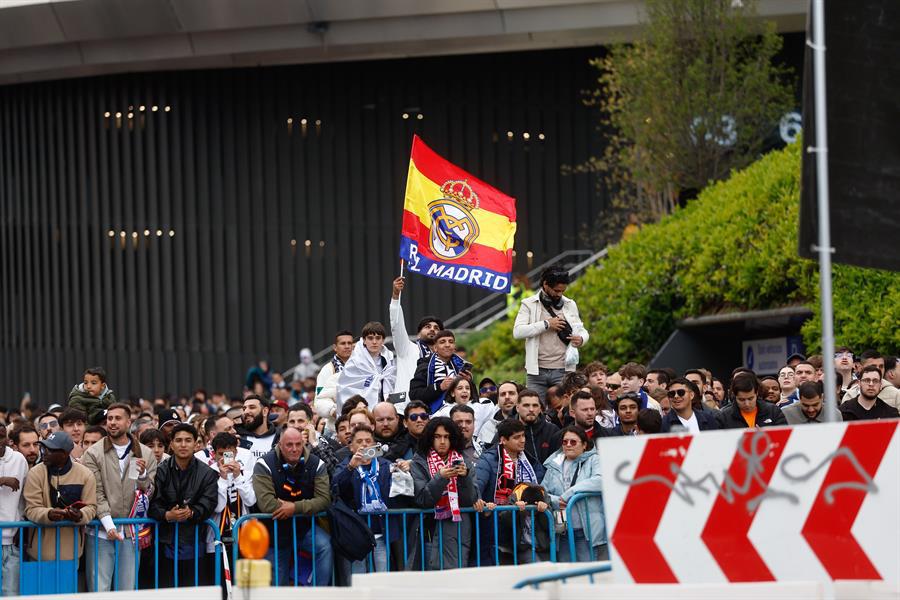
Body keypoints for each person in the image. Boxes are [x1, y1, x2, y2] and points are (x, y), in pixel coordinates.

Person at [81, 403, 156, 592]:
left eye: (117, 418)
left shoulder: (146, 453)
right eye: (110, 419)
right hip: (100, 531)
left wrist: (142, 476)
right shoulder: (93, 453)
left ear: (128, 422)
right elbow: (95, 492)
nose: (112, 423)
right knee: (99, 590)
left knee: (127, 590)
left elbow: (149, 492)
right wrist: (109, 524)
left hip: (131, 532)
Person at [253, 427, 332, 586]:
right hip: (274, 532)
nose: (295, 449)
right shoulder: (263, 464)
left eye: (298, 444)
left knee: (325, 548)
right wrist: (305, 506)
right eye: (289, 445)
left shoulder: (317, 464)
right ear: (280, 445)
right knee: (277, 585)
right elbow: (267, 504)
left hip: (304, 528)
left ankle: (320, 595)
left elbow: (324, 499)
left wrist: (294, 508)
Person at [148, 423, 218, 588]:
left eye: (188, 440)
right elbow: (152, 501)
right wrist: (167, 515)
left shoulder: (206, 472)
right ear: (171, 444)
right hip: (165, 541)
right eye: (178, 440)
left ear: (196, 443)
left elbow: (209, 502)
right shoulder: (161, 470)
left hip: (194, 541)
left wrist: (192, 512)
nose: (183, 444)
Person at [411, 417, 479, 570]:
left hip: (458, 531)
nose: (442, 441)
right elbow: (422, 499)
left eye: (446, 437)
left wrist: (465, 477)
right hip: (431, 531)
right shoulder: (418, 462)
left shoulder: (464, 461)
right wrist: (440, 478)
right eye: (437, 436)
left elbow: (471, 499)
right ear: (430, 438)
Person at [513, 266, 588, 401]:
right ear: (545, 284)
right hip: (536, 372)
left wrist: (581, 339)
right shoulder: (528, 304)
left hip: (563, 370)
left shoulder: (570, 304)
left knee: (564, 410)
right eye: (556, 290)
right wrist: (546, 324)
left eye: (563, 291)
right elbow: (518, 332)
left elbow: (581, 329)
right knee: (534, 410)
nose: (559, 294)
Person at [23, 431, 97, 563]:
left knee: (68, 584)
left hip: (71, 553)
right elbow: (31, 509)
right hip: (38, 552)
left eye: (50, 450)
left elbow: (91, 507)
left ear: (64, 454)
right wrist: (49, 514)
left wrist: (80, 515)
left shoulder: (85, 475)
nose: (45, 452)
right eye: (44, 448)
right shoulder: (35, 473)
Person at [332, 425, 396, 574]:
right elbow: (336, 489)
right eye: (359, 441)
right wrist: (350, 468)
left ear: (374, 444)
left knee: (382, 578)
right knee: (359, 580)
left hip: (380, 532)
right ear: (351, 447)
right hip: (357, 534)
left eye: (368, 441)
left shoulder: (386, 465)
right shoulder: (345, 466)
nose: (364, 444)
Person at [475, 419, 539, 564]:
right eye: (517, 437)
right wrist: (479, 500)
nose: (522, 440)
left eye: (523, 436)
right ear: (503, 440)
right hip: (495, 527)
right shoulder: (489, 459)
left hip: (523, 527)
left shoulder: (528, 459)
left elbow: (540, 483)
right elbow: (477, 483)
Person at [540, 426, 607, 562]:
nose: (568, 445)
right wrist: (556, 500)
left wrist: (570, 493)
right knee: (566, 576)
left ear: (584, 445)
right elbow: (542, 491)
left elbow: (600, 480)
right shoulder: (553, 465)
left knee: (588, 575)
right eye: (565, 442)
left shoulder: (594, 460)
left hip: (586, 531)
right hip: (562, 530)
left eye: (573, 442)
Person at [206, 432, 256, 572]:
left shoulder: (245, 472)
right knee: (220, 587)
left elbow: (251, 500)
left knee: (242, 587)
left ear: (235, 452)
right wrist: (222, 479)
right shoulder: (209, 473)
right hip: (217, 538)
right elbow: (218, 507)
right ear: (214, 454)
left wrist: (237, 477)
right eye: (220, 454)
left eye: (229, 454)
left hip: (243, 539)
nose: (224, 459)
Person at [390, 277, 444, 394]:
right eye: (427, 327)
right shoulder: (407, 348)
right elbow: (397, 324)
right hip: (407, 407)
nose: (432, 330)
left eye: (436, 328)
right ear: (418, 334)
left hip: (435, 407)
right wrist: (395, 295)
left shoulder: (445, 357)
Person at [337, 322, 397, 411]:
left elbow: (394, 384)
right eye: (370, 338)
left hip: (386, 410)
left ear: (383, 340)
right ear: (364, 340)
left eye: (378, 338)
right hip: (362, 412)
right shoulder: (355, 362)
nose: (374, 342)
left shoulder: (390, 359)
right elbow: (345, 391)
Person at [409, 330, 471, 414]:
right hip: (433, 415)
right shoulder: (425, 366)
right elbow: (414, 394)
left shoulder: (462, 366)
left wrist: (468, 383)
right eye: (442, 342)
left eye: (451, 342)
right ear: (435, 348)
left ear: (454, 347)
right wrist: (439, 387)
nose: (447, 345)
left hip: (460, 413)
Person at [0, 423, 27, 597]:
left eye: (1, 436)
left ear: (7, 438)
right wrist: (2, 479)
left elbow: (26, 497)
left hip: (12, 539)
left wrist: (22, 522)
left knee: (11, 593)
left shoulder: (18, 459)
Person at [314, 330, 355, 434]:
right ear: (335, 347)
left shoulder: (361, 367)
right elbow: (319, 400)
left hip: (358, 426)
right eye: (343, 343)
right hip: (334, 428)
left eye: (349, 343)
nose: (347, 346)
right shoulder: (327, 370)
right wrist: (333, 411)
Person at [718, 374, 788, 429]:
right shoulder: (724, 416)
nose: (747, 404)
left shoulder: (773, 411)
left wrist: (766, 437)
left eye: (750, 398)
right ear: (734, 396)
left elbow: (784, 438)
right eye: (741, 400)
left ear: (757, 393)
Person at [237, 395, 278, 459]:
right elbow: (227, 464)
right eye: (244, 409)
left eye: (252, 407)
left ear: (265, 411)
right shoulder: (237, 438)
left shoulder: (279, 438)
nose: (246, 412)